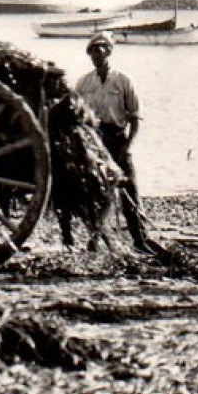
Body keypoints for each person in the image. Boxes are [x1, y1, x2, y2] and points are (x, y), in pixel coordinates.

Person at [74, 32, 152, 251]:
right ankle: (95, 239)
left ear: (109, 51)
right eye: (92, 50)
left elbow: (135, 117)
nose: (96, 54)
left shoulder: (124, 80)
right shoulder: (83, 83)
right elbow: (76, 116)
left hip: (118, 139)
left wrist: (127, 146)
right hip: (94, 143)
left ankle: (140, 239)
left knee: (129, 190)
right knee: (96, 192)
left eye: (101, 49)